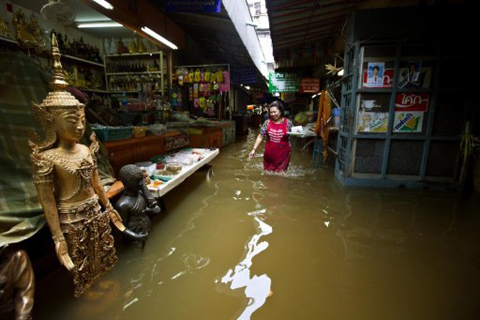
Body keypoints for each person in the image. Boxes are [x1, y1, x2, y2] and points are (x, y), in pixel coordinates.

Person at [249, 101, 293, 172]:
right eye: (271, 112)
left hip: (283, 155)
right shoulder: (267, 123)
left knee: (281, 176)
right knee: (268, 176)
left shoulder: (288, 123)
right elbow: (260, 136)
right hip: (269, 155)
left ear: (281, 111)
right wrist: (254, 149)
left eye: (275, 112)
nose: (272, 114)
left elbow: (292, 136)